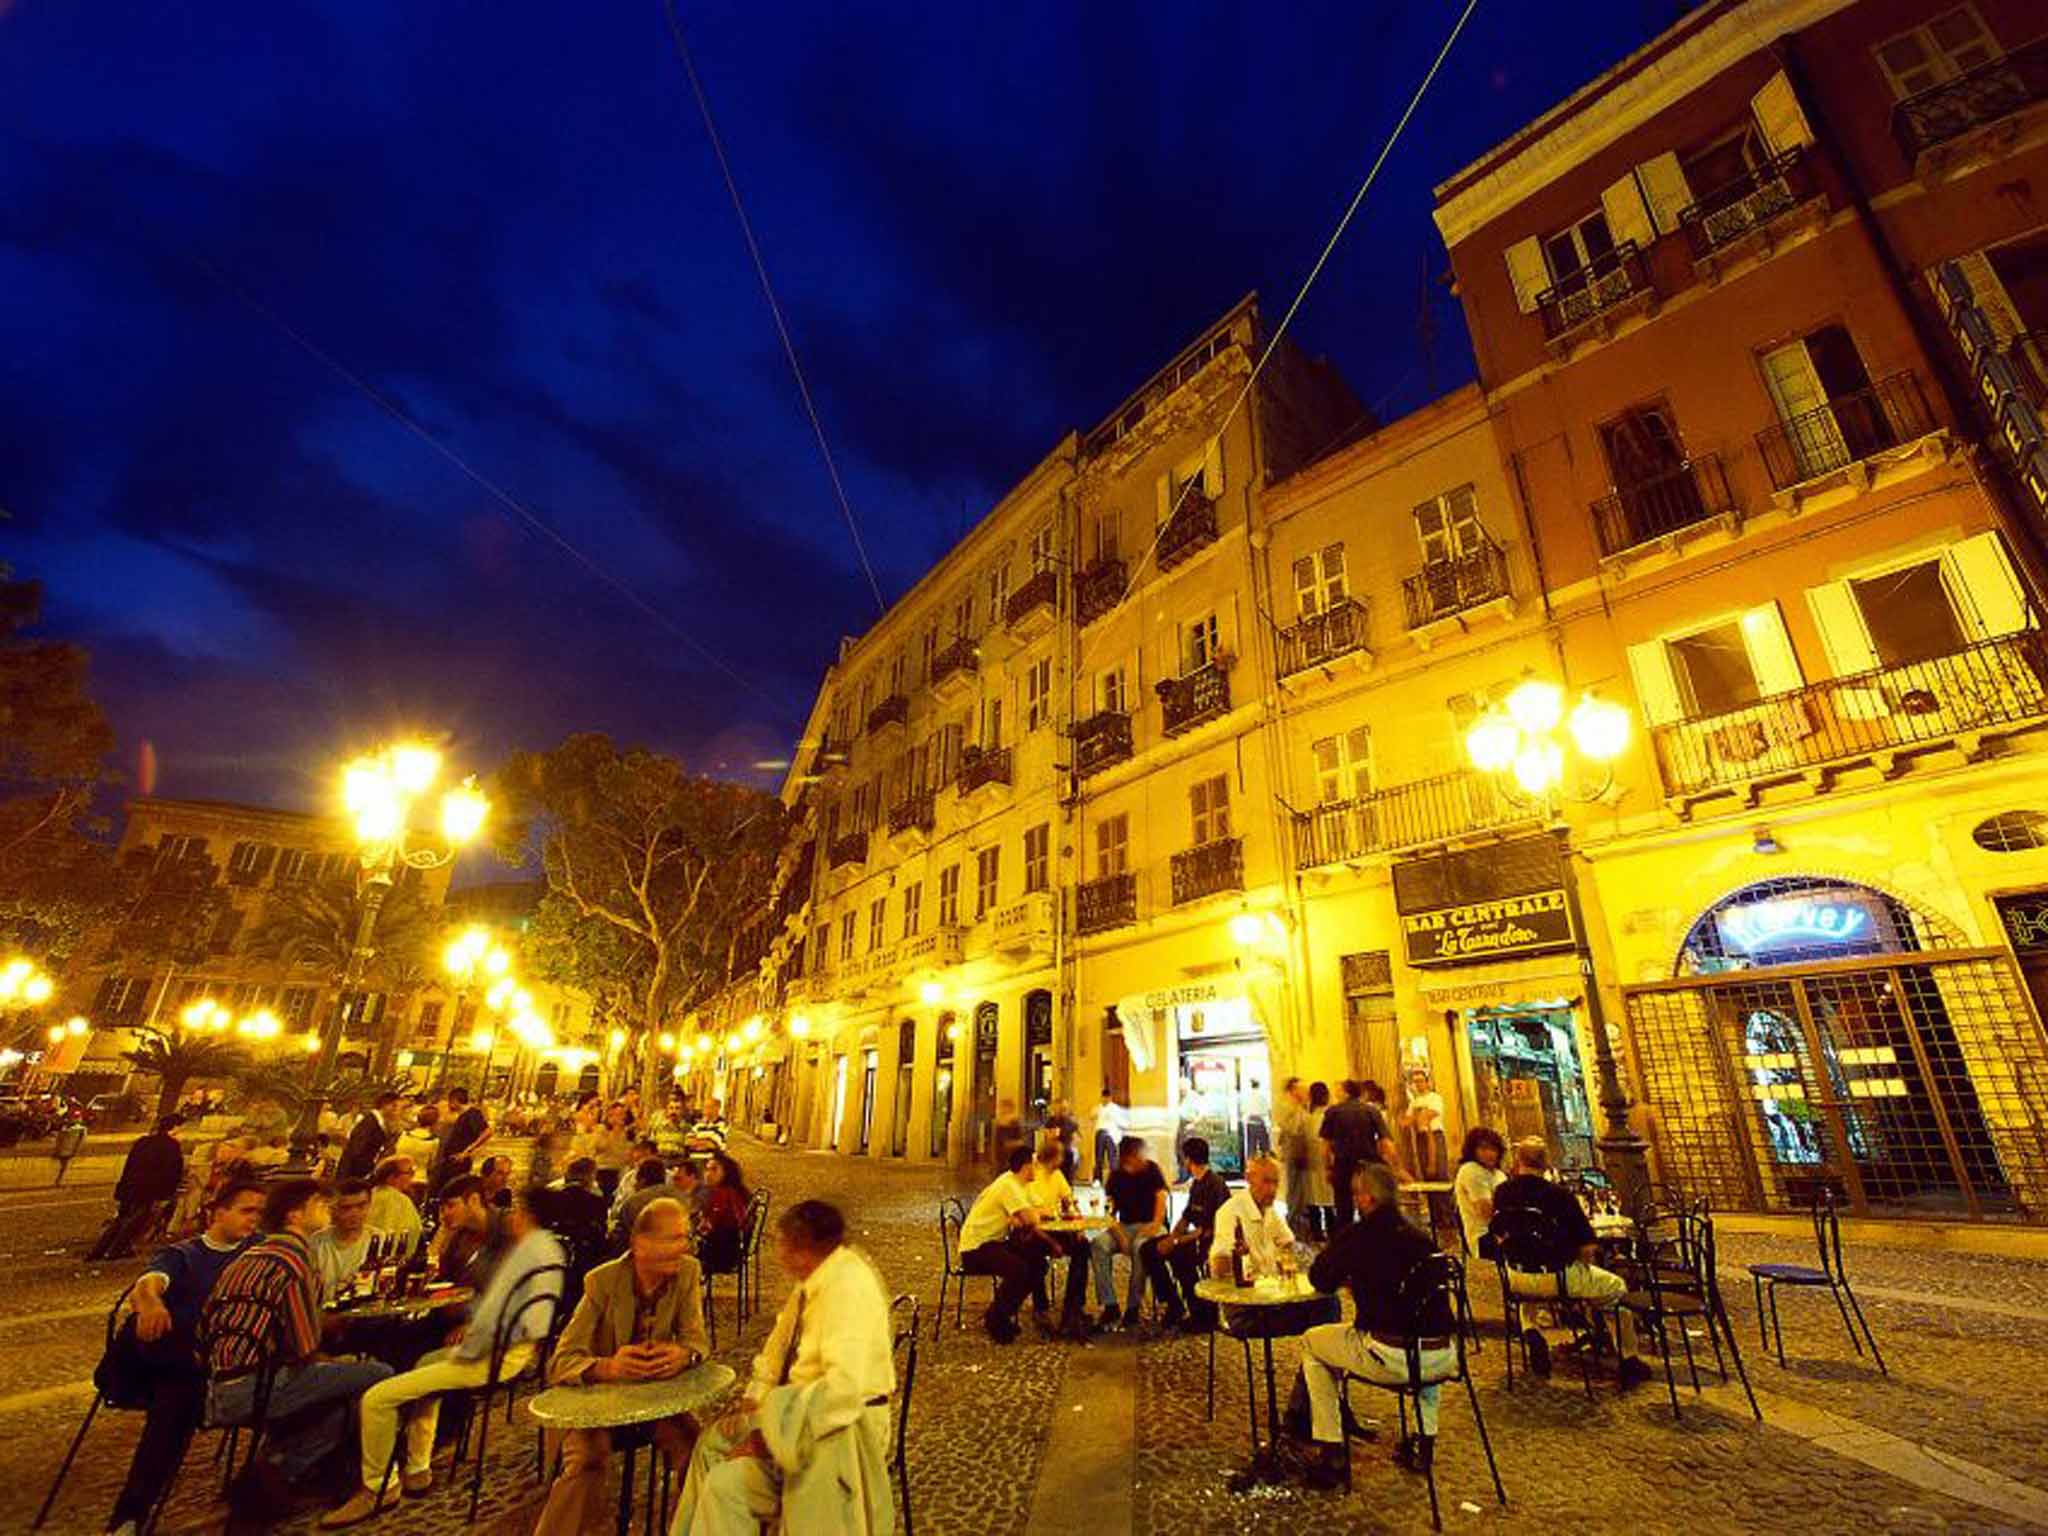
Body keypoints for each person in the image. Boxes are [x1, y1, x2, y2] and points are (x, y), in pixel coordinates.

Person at [321, 1186, 567, 1526]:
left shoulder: (528, 1255)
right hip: (492, 1346)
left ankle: (379, 1486)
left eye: (519, 1211)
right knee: (422, 1363)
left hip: (494, 1355)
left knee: (376, 1398)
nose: (512, 1216)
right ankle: (418, 1465)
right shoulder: (537, 1251)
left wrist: (471, 1335)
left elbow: (511, 1318)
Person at [674, 1200, 895, 1536]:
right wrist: (757, 1395)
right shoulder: (812, 1282)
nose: (775, 1254)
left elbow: (843, 1391)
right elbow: (779, 1344)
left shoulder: (848, 1291)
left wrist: (768, 1439)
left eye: (779, 1243)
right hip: (793, 1414)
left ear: (801, 1249)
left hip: (839, 1434)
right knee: (711, 1444)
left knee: (725, 1485)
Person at [201, 1179, 395, 1518]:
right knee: (379, 1376)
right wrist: (333, 1351)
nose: (329, 1211)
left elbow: (207, 1325)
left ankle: (282, 1471)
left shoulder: (249, 1256)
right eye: (320, 1204)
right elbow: (305, 1346)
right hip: (258, 1385)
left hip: (216, 1385)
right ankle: (284, 1469)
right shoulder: (294, 1260)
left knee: (340, 1394)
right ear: (294, 1215)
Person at [533, 1197, 709, 1535]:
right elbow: (561, 1362)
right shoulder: (602, 1282)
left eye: (685, 1237)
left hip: (653, 1402)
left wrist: (683, 1355)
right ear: (640, 1243)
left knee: (697, 1447)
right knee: (587, 1461)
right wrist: (608, 1367)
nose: (684, 1246)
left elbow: (697, 1339)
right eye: (674, 1238)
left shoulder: (687, 1272)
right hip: (593, 1407)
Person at [100, 1180, 266, 1536]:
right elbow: (149, 1283)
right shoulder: (185, 1254)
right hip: (181, 1362)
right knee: (176, 1404)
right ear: (218, 1212)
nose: (254, 1219)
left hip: (240, 1359)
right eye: (246, 1210)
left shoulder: (260, 1250)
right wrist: (150, 1304)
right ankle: (131, 1513)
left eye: (259, 1213)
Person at [1292, 1162, 1456, 1488]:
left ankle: (1331, 1449)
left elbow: (1321, 1279)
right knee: (1423, 1326)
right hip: (1443, 1356)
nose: (1354, 1201)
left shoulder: (1359, 1235)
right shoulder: (1422, 1238)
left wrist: (1348, 1271)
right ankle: (1424, 1442)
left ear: (1366, 1198)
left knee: (1313, 1343)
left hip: (1390, 1354)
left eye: (1356, 1195)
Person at [1490, 1138, 1649, 1386]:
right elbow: (1587, 1247)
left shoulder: (1501, 1193)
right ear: (1546, 1164)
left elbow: (1499, 1236)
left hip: (1517, 1277)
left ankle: (1531, 1331)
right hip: (1558, 1276)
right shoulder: (1559, 1196)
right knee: (1615, 1288)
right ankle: (1628, 1357)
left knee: (1527, 1296)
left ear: (1517, 1161)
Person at [957, 1145, 1050, 1343]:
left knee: (1037, 1263)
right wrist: (1028, 1215)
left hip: (994, 1242)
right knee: (1019, 1270)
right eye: (1034, 1165)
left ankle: (1002, 1314)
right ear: (1026, 1166)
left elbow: (1042, 1209)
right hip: (976, 1248)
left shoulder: (1021, 1184)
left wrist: (1029, 1215)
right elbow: (1031, 1218)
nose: (1037, 1169)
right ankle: (996, 1320)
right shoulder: (1008, 1185)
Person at [1141, 1137, 1230, 1331]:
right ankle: (1173, 1303)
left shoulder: (1215, 1185)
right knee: (1148, 1250)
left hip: (1208, 1242)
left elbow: (1209, 1229)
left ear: (1188, 1160)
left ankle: (1201, 1315)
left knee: (1182, 1256)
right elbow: (1187, 1216)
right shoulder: (1196, 1184)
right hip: (1192, 1237)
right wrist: (1171, 1237)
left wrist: (1175, 1241)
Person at [1090, 1135, 1167, 1329]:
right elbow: (1109, 1211)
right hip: (1124, 1226)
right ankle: (1109, 1304)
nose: (1144, 1158)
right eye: (1139, 1155)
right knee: (1098, 1244)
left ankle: (1133, 1306)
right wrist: (1118, 1233)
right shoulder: (1116, 1177)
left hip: (1150, 1225)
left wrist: (1156, 1222)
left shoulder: (1152, 1170)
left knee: (1140, 1247)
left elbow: (1161, 1196)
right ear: (1129, 1158)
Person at [89, 1114, 185, 1260]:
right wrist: (167, 1193)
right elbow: (171, 1171)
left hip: (130, 1186)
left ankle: (99, 1250)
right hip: (149, 1189)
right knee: (135, 1221)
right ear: (174, 1128)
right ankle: (116, 1250)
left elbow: (129, 1165)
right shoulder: (171, 1146)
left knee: (121, 1219)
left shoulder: (143, 1142)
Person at [1022, 1139, 1091, 1334]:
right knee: (1033, 1253)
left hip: (1055, 1229)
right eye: (1060, 1156)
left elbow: (1068, 1200)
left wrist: (1076, 1222)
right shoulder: (1033, 1177)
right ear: (1054, 1157)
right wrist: (1052, 1243)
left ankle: (1073, 1305)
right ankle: (1040, 1307)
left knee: (1083, 1247)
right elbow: (1029, 1217)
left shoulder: (1057, 1175)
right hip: (1033, 1231)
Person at [1320, 1080, 1396, 1235]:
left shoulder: (1333, 1112)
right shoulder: (1371, 1111)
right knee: (1370, 1205)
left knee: (1343, 1208)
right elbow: (1386, 1142)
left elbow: (1325, 1146)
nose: (1335, 1094)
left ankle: (1346, 1243)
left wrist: (1327, 1167)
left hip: (1343, 1165)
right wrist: (1393, 1166)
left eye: (1338, 1090)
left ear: (1346, 1092)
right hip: (1368, 1166)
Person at [1211, 1153, 1294, 1279]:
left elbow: (1287, 1242)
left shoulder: (1270, 1210)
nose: (1272, 1189)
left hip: (1271, 1290)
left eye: (1275, 1182)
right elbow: (1220, 1264)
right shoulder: (1230, 1212)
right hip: (1246, 1293)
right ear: (1249, 1179)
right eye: (1266, 1181)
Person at [309, 1178, 383, 1304]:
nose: (354, 1213)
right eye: (346, 1208)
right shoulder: (316, 1243)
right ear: (332, 1209)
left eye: (361, 1206)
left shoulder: (380, 1240)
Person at [1453, 1127, 1508, 1257]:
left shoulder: (1498, 1174)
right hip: (1484, 1235)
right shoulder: (1471, 1170)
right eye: (1483, 1149)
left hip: (1503, 1230)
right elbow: (1486, 1212)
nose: (1489, 1153)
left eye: (1493, 1149)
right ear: (1473, 1150)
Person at [698, 1151, 751, 1274]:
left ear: (726, 1173)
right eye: (707, 1169)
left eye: (714, 1170)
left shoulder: (722, 1194)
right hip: (734, 1250)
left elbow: (708, 1226)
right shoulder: (736, 1191)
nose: (708, 1174)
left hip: (721, 1255)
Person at [1273, 1078, 1311, 1234]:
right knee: (1295, 1186)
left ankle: (1301, 1219)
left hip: (1301, 1152)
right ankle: (1294, 1221)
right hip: (1294, 1151)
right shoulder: (1286, 1107)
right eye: (1301, 1088)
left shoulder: (1299, 1107)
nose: (1305, 1092)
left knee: (1302, 1186)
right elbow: (1294, 1129)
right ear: (1293, 1089)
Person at [336, 1092, 400, 1181]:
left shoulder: (378, 1122)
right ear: (385, 1105)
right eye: (394, 1106)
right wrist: (366, 1172)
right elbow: (357, 1150)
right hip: (353, 1174)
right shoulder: (369, 1122)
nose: (396, 1110)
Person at [366, 1157, 423, 1257]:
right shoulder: (400, 1201)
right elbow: (409, 1234)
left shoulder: (371, 1194)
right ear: (391, 1177)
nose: (412, 1176)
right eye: (409, 1172)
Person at [435, 1088, 489, 1188]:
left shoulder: (473, 1114)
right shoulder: (462, 1115)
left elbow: (487, 1132)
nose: (448, 1105)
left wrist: (467, 1152)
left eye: (449, 1101)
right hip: (450, 1161)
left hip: (459, 1162)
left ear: (455, 1101)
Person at [1301, 1082, 1335, 1239]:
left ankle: (1316, 1234)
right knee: (1329, 1201)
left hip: (1310, 1165)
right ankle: (1333, 1233)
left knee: (1313, 1200)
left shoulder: (1307, 1119)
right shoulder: (1331, 1116)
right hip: (1327, 1162)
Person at [1404, 1068, 1448, 1180]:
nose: (1418, 1084)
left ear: (1427, 1082)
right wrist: (1419, 1115)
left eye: (1420, 1081)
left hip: (1435, 1135)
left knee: (1439, 1171)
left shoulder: (1435, 1098)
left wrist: (1417, 1115)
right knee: (1425, 1171)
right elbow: (1406, 1122)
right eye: (1415, 1081)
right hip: (1421, 1137)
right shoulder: (1414, 1102)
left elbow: (1428, 1115)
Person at [590, 1101, 634, 1198]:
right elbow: (599, 1147)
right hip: (604, 1170)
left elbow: (630, 1152)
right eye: (616, 1114)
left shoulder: (628, 1133)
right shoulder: (602, 1129)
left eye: (622, 1114)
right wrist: (613, 1130)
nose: (620, 1117)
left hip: (622, 1171)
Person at [1091, 1087, 1125, 1185]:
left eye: (1107, 1098)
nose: (1105, 1099)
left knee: (1112, 1158)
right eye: (1103, 1097)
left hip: (1111, 1134)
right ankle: (1097, 1179)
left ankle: (1114, 1180)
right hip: (1100, 1132)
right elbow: (1091, 1116)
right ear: (1101, 1097)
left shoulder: (1115, 1108)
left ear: (1110, 1098)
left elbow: (1120, 1122)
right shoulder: (1097, 1108)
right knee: (1099, 1158)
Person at [990, 1097, 1025, 1173]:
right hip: (1001, 1161)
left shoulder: (1015, 1124)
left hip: (1012, 1160)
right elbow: (996, 1145)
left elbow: (1021, 1141)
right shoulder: (998, 1124)